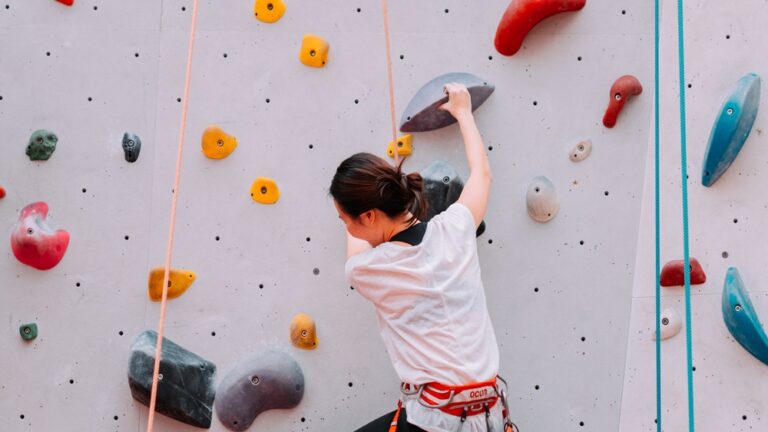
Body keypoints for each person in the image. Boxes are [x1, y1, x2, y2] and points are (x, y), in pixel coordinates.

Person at [330, 83, 509, 432]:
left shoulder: (370, 270)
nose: (345, 227)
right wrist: (463, 113)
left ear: (368, 216)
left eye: (344, 219)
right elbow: (482, 175)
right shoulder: (456, 229)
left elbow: (357, 244)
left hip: (438, 422)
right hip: (487, 416)